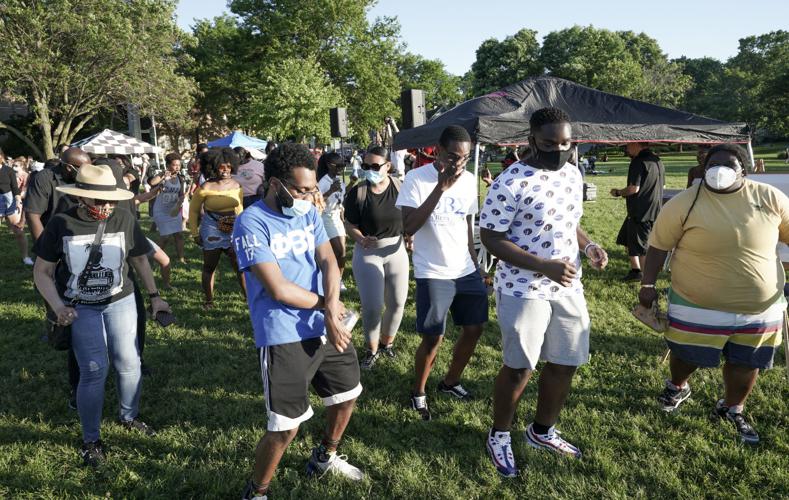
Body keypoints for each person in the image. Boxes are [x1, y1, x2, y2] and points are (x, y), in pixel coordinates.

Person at [480, 107, 608, 477]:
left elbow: (571, 224)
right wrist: (543, 265)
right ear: (532, 139)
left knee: (565, 362)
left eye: (566, 142)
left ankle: (542, 431)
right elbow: (491, 238)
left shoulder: (572, 172)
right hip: (523, 288)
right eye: (551, 142)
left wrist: (588, 247)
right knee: (520, 368)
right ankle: (499, 434)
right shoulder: (511, 181)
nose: (559, 149)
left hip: (567, 285)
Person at [233, 143, 363, 500]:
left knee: (347, 395)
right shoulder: (251, 222)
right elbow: (277, 288)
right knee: (285, 428)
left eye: (312, 188)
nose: (311, 195)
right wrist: (327, 308)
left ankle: (325, 456)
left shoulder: (307, 213)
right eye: (303, 189)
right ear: (276, 184)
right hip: (283, 332)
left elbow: (329, 261)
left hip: (324, 323)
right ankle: (257, 492)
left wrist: (332, 309)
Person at [638, 144, 787, 445]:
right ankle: (678, 385)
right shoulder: (684, 202)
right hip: (695, 303)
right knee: (684, 353)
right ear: (703, 168)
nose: (719, 170)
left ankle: (732, 407)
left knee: (747, 361)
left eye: (728, 164)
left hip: (759, 307)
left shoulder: (769, 197)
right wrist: (648, 285)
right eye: (712, 163)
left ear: (743, 168)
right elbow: (658, 247)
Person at [32, 163, 171, 466]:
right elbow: (41, 272)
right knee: (94, 370)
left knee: (129, 362)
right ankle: (91, 439)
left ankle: (129, 416)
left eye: (111, 199)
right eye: (99, 200)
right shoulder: (60, 224)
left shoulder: (123, 217)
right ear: (81, 197)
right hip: (81, 307)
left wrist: (155, 297)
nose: (107, 206)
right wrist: (58, 306)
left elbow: (140, 262)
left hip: (120, 300)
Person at [396, 125, 488, 420]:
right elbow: (408, 227)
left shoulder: (470, 179)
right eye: (452, 156)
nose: (458, 163)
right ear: (437, 149)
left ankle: (450, 381)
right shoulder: (415, 178)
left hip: (465, 268)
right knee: (433, 336)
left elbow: (466, 225)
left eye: (464, 157)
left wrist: (476, 263)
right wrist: (440, 187)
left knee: (474, 328)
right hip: (433, 270)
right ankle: (418, 391)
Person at [343, 146, 409, 370]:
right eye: (365, 166)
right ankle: (371, 350)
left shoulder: (401, 187)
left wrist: (411, 236)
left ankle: (386, 344)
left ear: (387, 166)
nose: (369, 170)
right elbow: (349, 224)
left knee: (398, 303)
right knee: (372, 306)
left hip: (396, 250)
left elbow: (411, 215)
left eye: (374, 166)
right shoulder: (358, 192)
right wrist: (360, 239)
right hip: (368, 252)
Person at [189, 147, 246, 309]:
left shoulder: (237, 185)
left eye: (228, 166)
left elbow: (240, 208)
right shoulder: (205, 187)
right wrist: (194, 233)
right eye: (221, 167)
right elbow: (193, 212)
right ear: (213, 167)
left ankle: (249, 299)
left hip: (233, 227)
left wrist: (241, 228)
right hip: (211, 228)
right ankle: (209, 301)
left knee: (240, 266)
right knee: (209, 266)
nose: (225, 170)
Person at [611, 142, 664, 281]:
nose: (626, 148)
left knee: (641, 247)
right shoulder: (657, 160)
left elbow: (633, 188)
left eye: (628, 145)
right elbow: (662, 184)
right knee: (628, 239)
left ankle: (647, 280)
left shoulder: (638, 161)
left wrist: (617, 192)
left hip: (640, 212)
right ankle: (636, 271)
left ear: (637, 144)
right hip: (653, 209)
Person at [148, 153, 187, 267]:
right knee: (165, 237)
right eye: (175, 165)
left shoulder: (180, 178)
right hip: (161, 210)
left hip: (174, 210)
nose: (177, 167)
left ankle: (181, 258)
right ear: (168, 165)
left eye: (179, 165)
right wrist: (163, 175)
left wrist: (181, 199)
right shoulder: (163, 175)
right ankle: (152, 257)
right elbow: (152, 182)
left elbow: (180, 193)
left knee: (179, 235)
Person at [317, 152, 348, 291]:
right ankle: (331, 279)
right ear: (329, 165)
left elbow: (341, 199)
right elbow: (316, 203)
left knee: (342, 253)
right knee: (340, 251)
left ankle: (338, 279)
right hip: (326, 217)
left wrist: (342, 212)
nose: (341, 168)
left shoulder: (340, 181)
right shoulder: (322, 182)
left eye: (343, 165)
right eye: (339, 165)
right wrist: (330, 191)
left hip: (337, 217)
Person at [0, 150, 32, 265]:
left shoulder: (8, 170)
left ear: (1, 157)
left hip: (10, 200)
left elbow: (14, 187)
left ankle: (25, 257)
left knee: (18, 230)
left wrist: (18, 199)